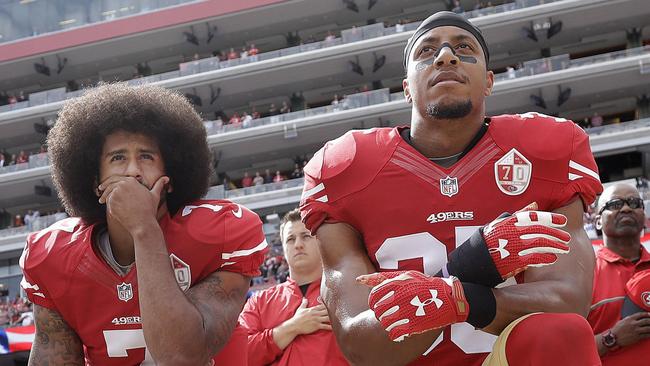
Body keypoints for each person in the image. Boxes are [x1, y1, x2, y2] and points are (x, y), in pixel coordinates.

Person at [300, 11, 603, 366]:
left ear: (489, 81)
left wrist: (456, 298)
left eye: (463, 47)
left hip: (502, 358)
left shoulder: (543, 152)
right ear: (407, 88)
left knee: (557, 334)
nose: (446, 56)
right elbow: (362, 345)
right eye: (426, 51)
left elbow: (569, 302)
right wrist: (473, 265)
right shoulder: (347, 168)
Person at [20, 83, 268, 365]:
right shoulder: (55, 255)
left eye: (146, 157)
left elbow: (182, 356)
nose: (133, 171)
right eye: (118, 158)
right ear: (93, 180)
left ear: (170, 176)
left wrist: (144, 229)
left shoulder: (221, 231)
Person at [239, 209, 348, 365]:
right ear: (283, 248)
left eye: (305, 236)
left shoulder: (344, 293)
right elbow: (240, 354)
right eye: (290, 239)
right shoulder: (259, 302)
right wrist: (292, 327)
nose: (298, 245)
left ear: (319, 242)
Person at [587, 183, 650, 365]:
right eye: (615, 204)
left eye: (634, 203)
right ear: (598, 220)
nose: (626, 208)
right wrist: (612, 338)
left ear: (644, 216)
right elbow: (566, 350)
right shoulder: (585, 274)